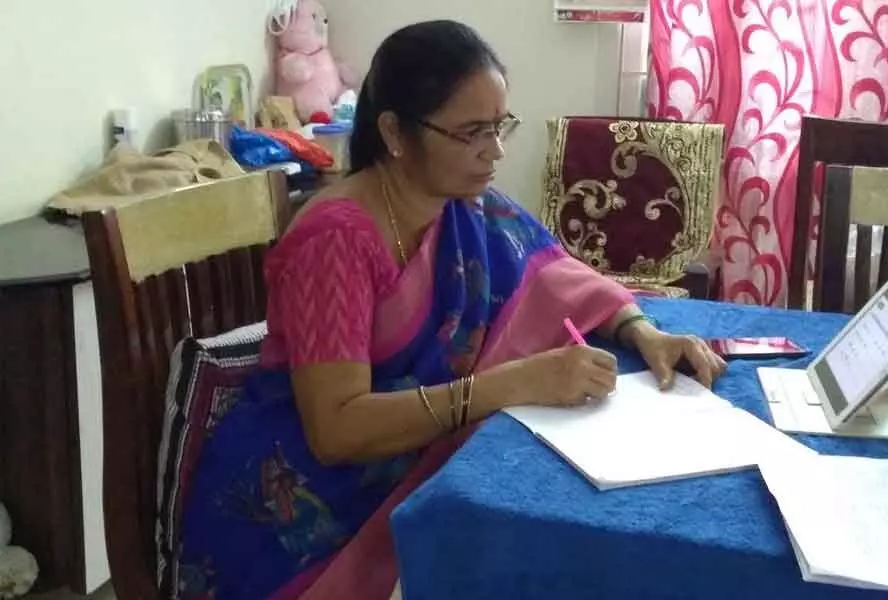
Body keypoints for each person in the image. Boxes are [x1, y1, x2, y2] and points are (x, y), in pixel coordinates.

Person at [177, 19, 726, 600]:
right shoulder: (334, 242)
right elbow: (337, 431)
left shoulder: (465, 207)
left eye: (498, 126)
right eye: (471, 133)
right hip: (302, 520)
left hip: (420, 469)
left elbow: (556, 275)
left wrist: (642, 331)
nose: (495, 151)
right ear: (394, 131)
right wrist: (507, 384)